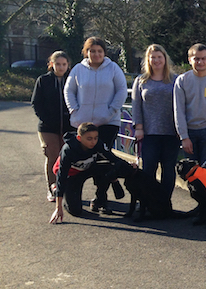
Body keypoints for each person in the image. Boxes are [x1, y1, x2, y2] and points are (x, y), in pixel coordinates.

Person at [64, 36, 128, 211]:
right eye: (92, 51)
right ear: (87, 52)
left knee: (102, 160)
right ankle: (74, 193)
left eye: (99, 51)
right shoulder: (78, 69)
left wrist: (111, 111)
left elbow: (122, 90)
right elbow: (69, 90)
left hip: (107, 122)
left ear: (104, 53)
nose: (96, 54)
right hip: (82, 123)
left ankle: (101, 197)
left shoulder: (113, 69)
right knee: (83, 160)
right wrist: (74, 110)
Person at [49, 123, 136, 223]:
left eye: (95, 138)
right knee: (75, 211)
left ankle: (100, 200)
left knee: (108, 167)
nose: (93, 142)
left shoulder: (97, 144)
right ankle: (57, 191)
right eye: (89, 139)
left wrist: (130, 166)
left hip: (87, 168)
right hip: (71, 175)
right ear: (79, 138)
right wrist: (58, 208)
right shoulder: (68, 150)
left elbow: (112, 158)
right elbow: (62, 177)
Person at [131, 44, 179, 200]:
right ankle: (148, 202)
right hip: (149, 133)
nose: (157, 60)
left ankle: (164, 203)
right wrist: (138, 127)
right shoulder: (141, 81)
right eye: (153, 57)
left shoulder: (176, 80)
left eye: (159, 57)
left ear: (165, 59)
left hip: (171, 133)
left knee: (168, 169)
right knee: (148, 169)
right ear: (148, 60)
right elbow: (136, 106)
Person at [173, 43, 206, 172]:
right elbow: (178, 110)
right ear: (190, 60)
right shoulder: (182, 81)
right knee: (192, 174)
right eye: (196, 58)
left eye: (203, 58)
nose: (200, 62)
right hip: (189, 133)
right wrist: (184, 137)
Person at [31, 51, 75, 202]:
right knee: (52, 155)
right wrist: (46, 119)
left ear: (68, 65)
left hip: (69, 126)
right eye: (58, 64)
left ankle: (66, 188)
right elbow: (36, 103)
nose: (61, 67)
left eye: (64, 64)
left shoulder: (72, 80)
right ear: (51, 64)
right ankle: (52, 187)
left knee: (66, 157)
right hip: (48, 127)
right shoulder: (43, 80)